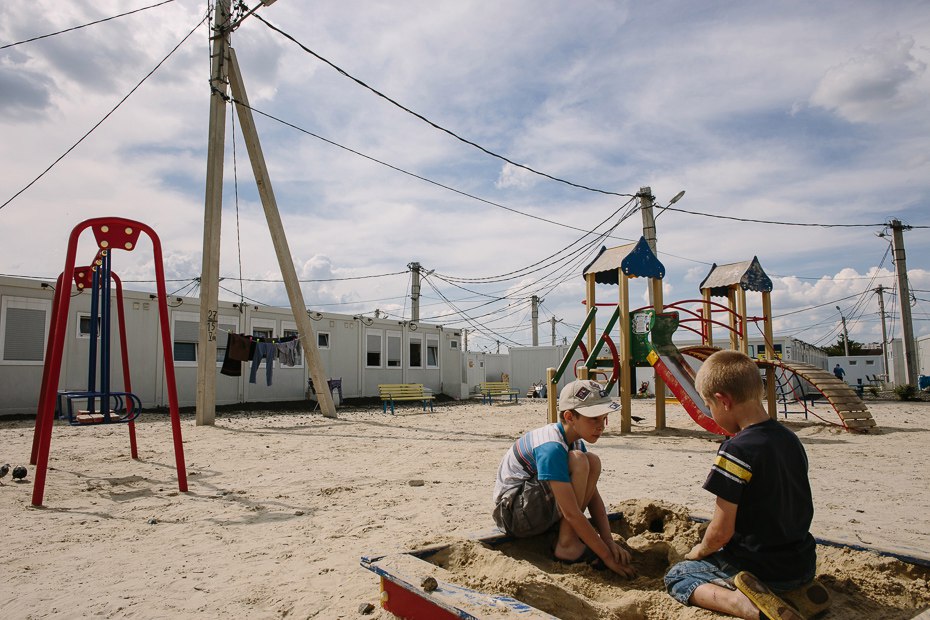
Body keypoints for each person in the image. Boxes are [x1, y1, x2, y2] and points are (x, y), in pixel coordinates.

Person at [665, 350, 824, 620]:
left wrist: (699, 551)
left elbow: (721, 532)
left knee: (679, 576)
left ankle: (743, 604)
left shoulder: (736, 450)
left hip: (760, 567)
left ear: (723, 400)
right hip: (802, 563)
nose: (711, 413)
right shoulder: (789, 439)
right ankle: (798, 591)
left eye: (709, 406)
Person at [491, 379, 634, 577]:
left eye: (604, 418)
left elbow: (592, 496)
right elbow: (572, 513)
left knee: (592, 461)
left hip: (531, 510)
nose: (601, 426)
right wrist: (607, 557)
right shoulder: (551, 446)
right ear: (569, 416)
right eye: (594, 419)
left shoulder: (574, 442)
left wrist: (608, 540)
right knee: (580, 461)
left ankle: (568, 538)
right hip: (512, 516)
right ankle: (567, 544)